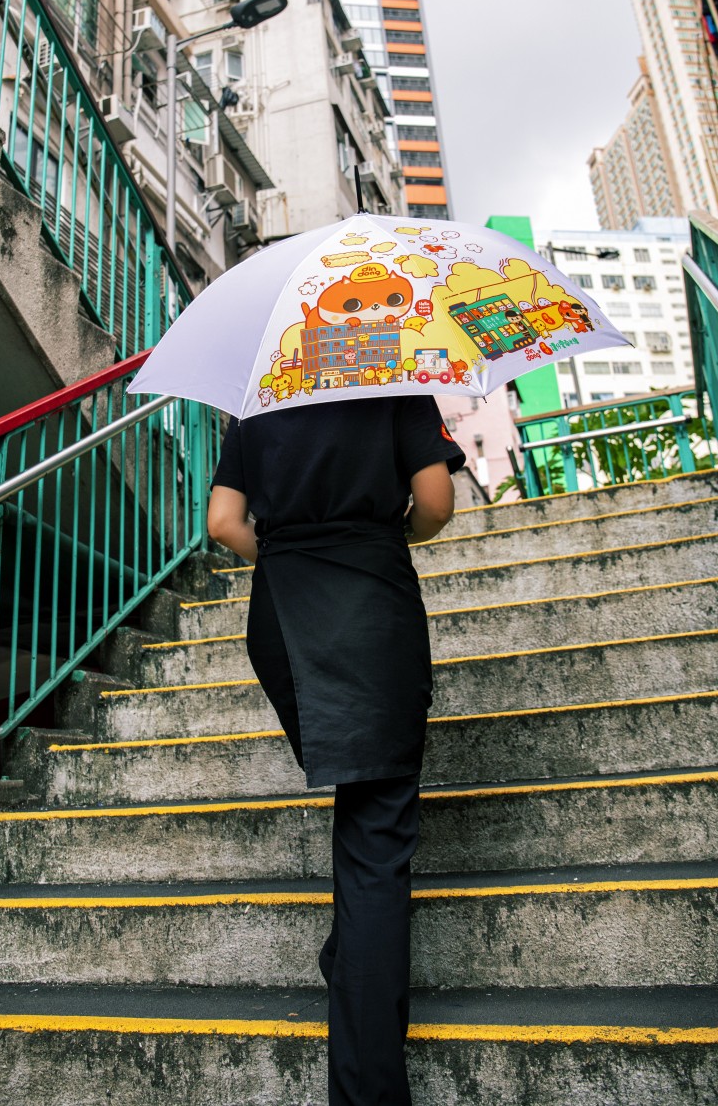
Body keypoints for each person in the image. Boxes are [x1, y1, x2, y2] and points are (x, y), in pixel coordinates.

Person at [207, 394, 465, 1106]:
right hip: (369, 603)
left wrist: (295, 556)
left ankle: (351, 954)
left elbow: (223, 523)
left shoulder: (255, 402)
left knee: (363, 821)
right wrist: (376, 537)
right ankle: (368, 1090)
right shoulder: (395, 383)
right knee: (377, 838)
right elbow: (436, 502)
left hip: (283, 616)